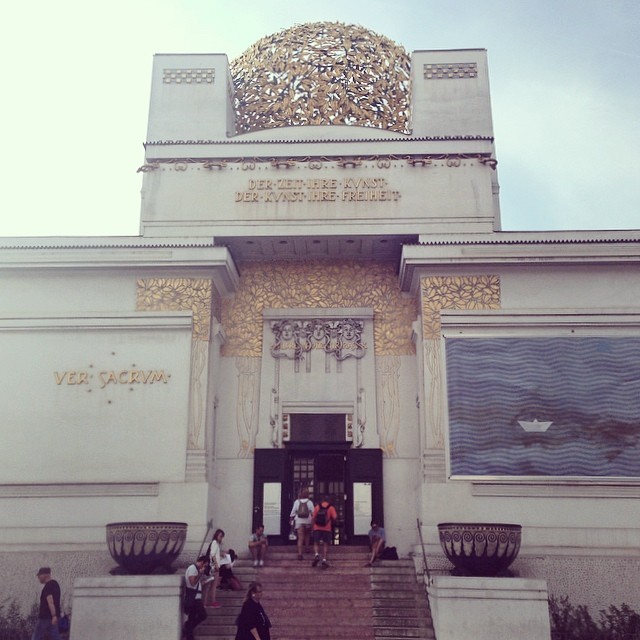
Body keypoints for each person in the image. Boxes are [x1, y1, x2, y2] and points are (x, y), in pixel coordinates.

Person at [31, 567, 62, 640]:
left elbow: (50, 602)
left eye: (40, 575)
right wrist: (55, 616)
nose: (38, 577)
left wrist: (53, 615)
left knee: (36, 636)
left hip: (45, 617)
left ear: (45, 575)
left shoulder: (48, 586)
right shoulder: (55, 584)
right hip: (53, 616)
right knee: (55, 637)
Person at [183, 555, 208, 640]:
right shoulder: (193, 568)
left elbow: (195, 583)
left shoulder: (195, 569)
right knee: (203, 615)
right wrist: (200, 574)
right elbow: (193, 583)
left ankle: (189, 633)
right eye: (205, 565)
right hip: (194, 598)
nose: (204, 567)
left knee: (192, 617)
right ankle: (188, 628)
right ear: (202, 562)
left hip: (196, 597)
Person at [311, 495, 337, 569]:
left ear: (322, 500)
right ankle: (324, 560)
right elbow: (335, 517)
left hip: (317, 527)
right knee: (325, 544)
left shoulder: (317, 507)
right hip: (327, 528)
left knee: (316, 542)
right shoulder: (331, 507)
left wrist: (312, 527)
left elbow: (313, 517)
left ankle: (316, 555)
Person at [289, 487, 313, 560]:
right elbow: (313, 512)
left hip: (299, 521)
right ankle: (307, 548)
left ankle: (300, 554)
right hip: (308, 520)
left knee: (300, 538)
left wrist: (291, 518)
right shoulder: (309, 502)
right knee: (307, 535)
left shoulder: (297, 502)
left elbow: (293, 513)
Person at [205, 528, 226, 608]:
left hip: (213, 566)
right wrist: (216, 565)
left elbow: (214, 554)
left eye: (222, 536)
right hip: (214, 567)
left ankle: (207, 602)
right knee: (212, 586)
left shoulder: (215, 544)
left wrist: (221, 554)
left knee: (211, 586)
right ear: (216, 535)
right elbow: (212, 554)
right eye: (220, 536)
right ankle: (212, 601)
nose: (221, 538)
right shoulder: (214, 543)